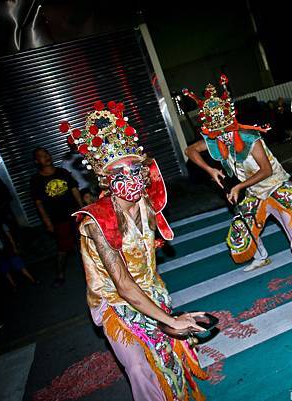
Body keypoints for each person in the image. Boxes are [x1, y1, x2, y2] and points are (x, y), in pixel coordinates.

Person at [62, 100, 207, 401]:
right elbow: (124, 287)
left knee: (171, 357)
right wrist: (170, 320)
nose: (132, 179)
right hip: (114, 301)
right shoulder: (97, 221)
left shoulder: (147, 203)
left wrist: (168, 318)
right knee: (140, 368)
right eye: (121, 174)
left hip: (150, 291)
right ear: (105, 179)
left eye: (136, 170)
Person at [183, 76, 292, 293]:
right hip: (255, 192)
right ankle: (261, 257)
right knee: (242, 227)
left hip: (276, 186)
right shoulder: (216, 140)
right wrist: (211, 170)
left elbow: (266, 170)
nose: (221, 135)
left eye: (224, 131)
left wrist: (238, 187)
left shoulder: (249, 138)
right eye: (217, 132)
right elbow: (190, 150)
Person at [30, 147, 83, 287]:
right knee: (63, 248)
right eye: (41, 155)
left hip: (73, 212)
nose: (46, 156)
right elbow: (38, 203)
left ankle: (93, 271)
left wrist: (83, 208)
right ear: (37, 161)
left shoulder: (62, 172)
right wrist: (47, 221)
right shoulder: (36, 180)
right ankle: (60, 274)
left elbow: (74, 189)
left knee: (83, 242)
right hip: (57, 217)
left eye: (46, 153)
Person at [0, 212, 39, 290]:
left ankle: (33, 280)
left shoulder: (1, 225)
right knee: (5, 271)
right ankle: (14, 286)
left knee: (20, 265)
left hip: (8, 250)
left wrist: (14, 247)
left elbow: (9, 236)